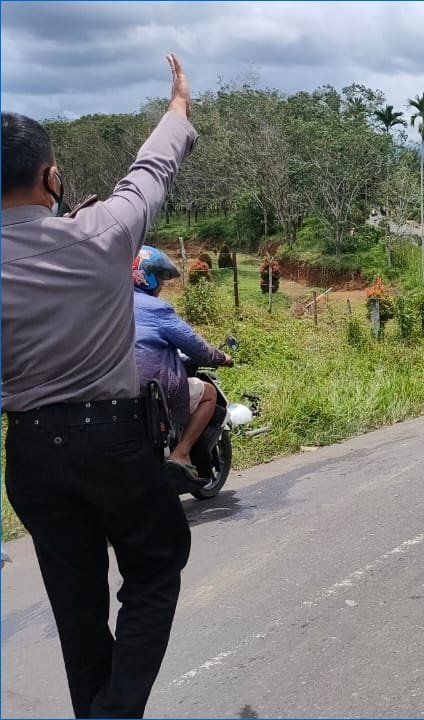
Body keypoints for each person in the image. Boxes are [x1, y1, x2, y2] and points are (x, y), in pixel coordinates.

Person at [1, 54, 197, 718]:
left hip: (28, 452)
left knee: (76, 606)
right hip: (111, 441)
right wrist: (176, 108)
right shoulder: (103, 233)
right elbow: (151, 172)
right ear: (50, 176)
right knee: (157, 563)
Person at [132, 246, 233, 478]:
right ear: (146, 277)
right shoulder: (158, 309)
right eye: (159, 278)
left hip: (110, 389)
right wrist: (222, 358)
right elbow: (197, 348)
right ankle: (181, 453)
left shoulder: (108, 305)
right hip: (151, 391)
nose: (162, 284)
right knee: (208, 393)